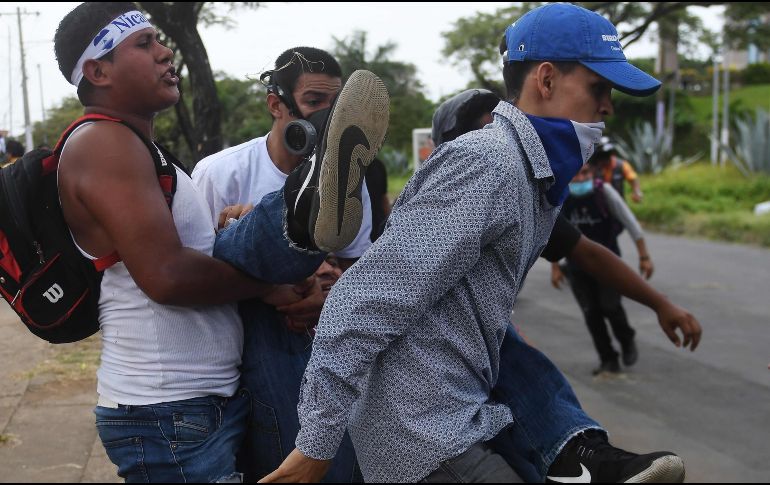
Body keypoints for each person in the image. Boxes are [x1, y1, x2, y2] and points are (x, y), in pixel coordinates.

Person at [262, 3, 696, 483]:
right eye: (599, 88)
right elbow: (359, 302)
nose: (608, 106)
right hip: (425, 435)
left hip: (466, 412)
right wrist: (316, 447)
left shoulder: (533, 176)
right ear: (546, 80)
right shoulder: (489, 164)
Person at [53, 3, 385, 482]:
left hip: (196, 402)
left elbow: (195, 259)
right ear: (97, 71)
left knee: (236, 236)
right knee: (251, 242)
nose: (166, 53)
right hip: (167, 409)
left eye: (159, 40)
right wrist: (275, 285)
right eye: (144, 45)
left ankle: (298, 211)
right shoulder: (103, 144)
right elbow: (168, 277)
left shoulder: (133, 145)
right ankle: (296, 212)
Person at [431, 88, 702, 482]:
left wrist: (661, 304)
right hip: (432, 364)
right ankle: (573, 453)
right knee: (517, 352)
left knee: (526, 364)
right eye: (485, 134)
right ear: (452, 151)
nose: (503, 143)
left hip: (481, 349)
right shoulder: (445, 199)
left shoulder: (524, 192)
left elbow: (587, 251)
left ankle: (576, 454)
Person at [192, 46, 383, 482]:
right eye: (315, 102)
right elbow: (194, 270)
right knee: (234, 229)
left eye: (337, 105)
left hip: (321, 341)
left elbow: (359, 273)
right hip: (245, 340)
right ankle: (284, 221)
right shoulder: (219, 174)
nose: (329, 116)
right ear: (276, 104)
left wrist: (325, 291)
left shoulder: (352, 180)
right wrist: (271, 287)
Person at [552, 162, 653, 375]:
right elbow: (552, 233)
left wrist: (644, 256)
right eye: (576, 174)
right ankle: (608, 359)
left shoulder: (603, 192)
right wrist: (556, 267)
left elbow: (631, 223)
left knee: (611, 307)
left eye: (586, 173)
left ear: (594, 173)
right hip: (577, 267)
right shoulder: (561, 196)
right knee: (591, 314)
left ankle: (626, 338)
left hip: (608, 266)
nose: (580, 179)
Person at [592, 137, 643, 203]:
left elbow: (633, 178)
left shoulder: (621, 165)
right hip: (598, 204)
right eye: (601, 156)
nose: (604, 159)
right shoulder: (592, 168)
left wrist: (636, 191)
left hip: (618, 203)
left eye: (607, 155)